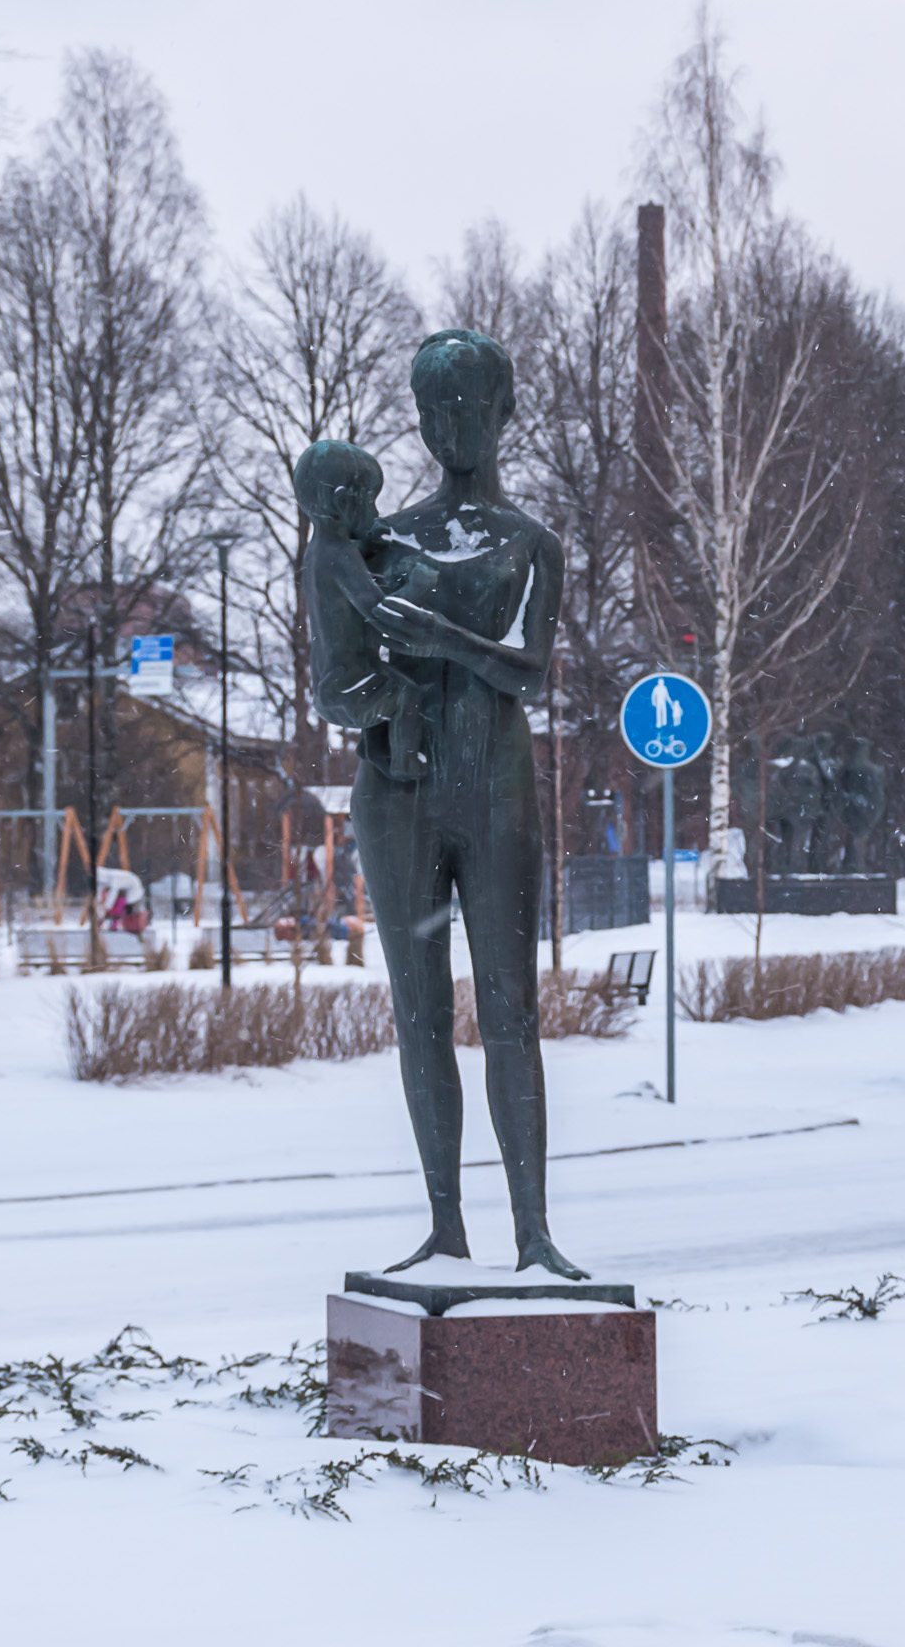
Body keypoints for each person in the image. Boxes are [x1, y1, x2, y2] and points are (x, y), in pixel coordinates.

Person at [329, 329, 579, 1279]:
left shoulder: (533, 544)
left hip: (498, 788)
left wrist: (442, 640)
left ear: (504, 411)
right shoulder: (379, 540)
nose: (451, 427)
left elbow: (530, 671)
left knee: (512, 1008)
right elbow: (333, 678)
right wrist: (375, 701)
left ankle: (534, 1232)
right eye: (434, 410)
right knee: (420, 1011)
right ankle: (446, 1226)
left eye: (469, 406)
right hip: (400, 794)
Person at [293, 439, 429, 783]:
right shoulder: (342, 556)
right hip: (351, 687)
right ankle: (405, 766)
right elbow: (380, 613)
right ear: (343, 501)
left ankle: (376, 750)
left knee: (387, 683)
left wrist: (366, 544)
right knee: (407, 695)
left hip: (329, 685)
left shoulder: (318, 551)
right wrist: (417, 586)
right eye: (369, 501)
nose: (376, 512)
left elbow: (342, 584)